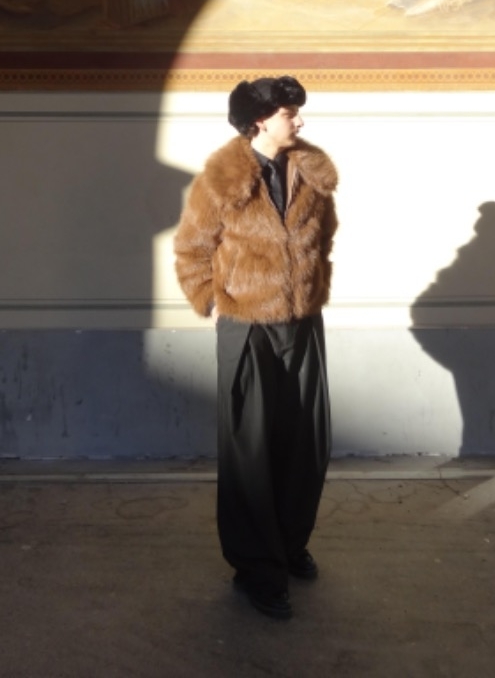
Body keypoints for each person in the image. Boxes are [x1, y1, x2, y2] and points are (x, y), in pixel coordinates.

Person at [174, 76, 338, 620]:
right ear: (261, 120)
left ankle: (289, 544)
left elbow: (325, 239)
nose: (300, 120)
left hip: (303, 325)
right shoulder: (221, 180)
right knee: (251, 450)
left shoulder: (311, 174)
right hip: (247, 327)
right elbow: (191, 248)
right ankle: (256, 568)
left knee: (306, 441)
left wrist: (312, 287)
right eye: (290, 113)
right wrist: (213, 302)